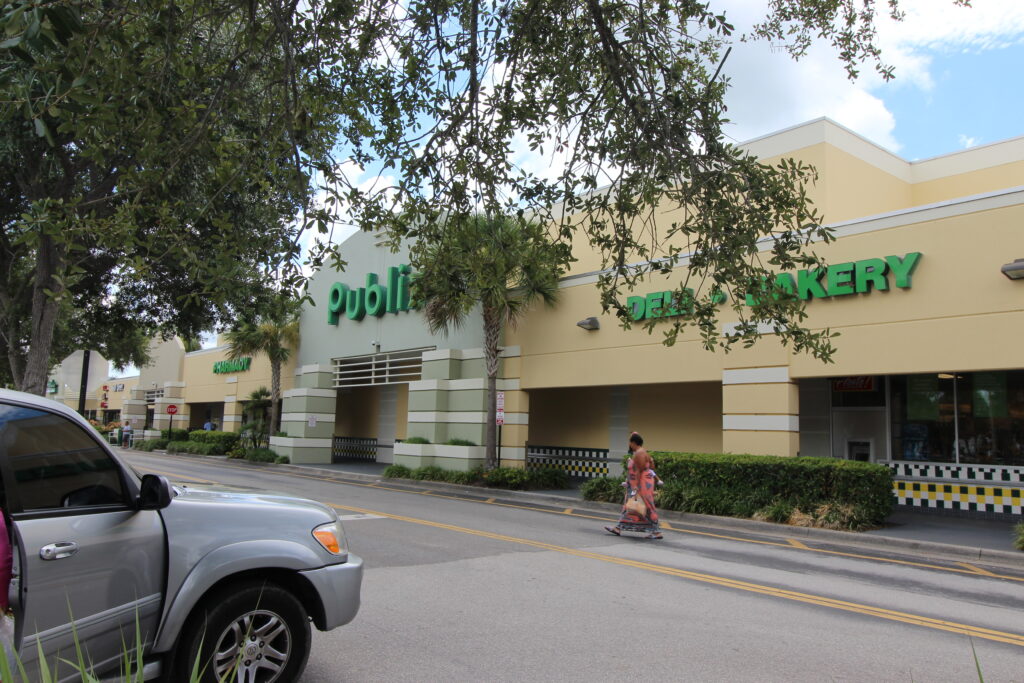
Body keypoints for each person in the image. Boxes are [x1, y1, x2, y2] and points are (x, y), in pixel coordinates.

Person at [604, 432, 662, 539]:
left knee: (638, 506)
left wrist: (635, 485)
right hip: (645, 482)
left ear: (634, 443)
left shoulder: (639, 454)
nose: (629, 444)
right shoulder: (644, 452)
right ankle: (619, 527)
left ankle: (656, 531)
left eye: (630, 442)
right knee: (641, 506)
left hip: (641, 484)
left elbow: (638, 471)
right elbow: (651, 466)